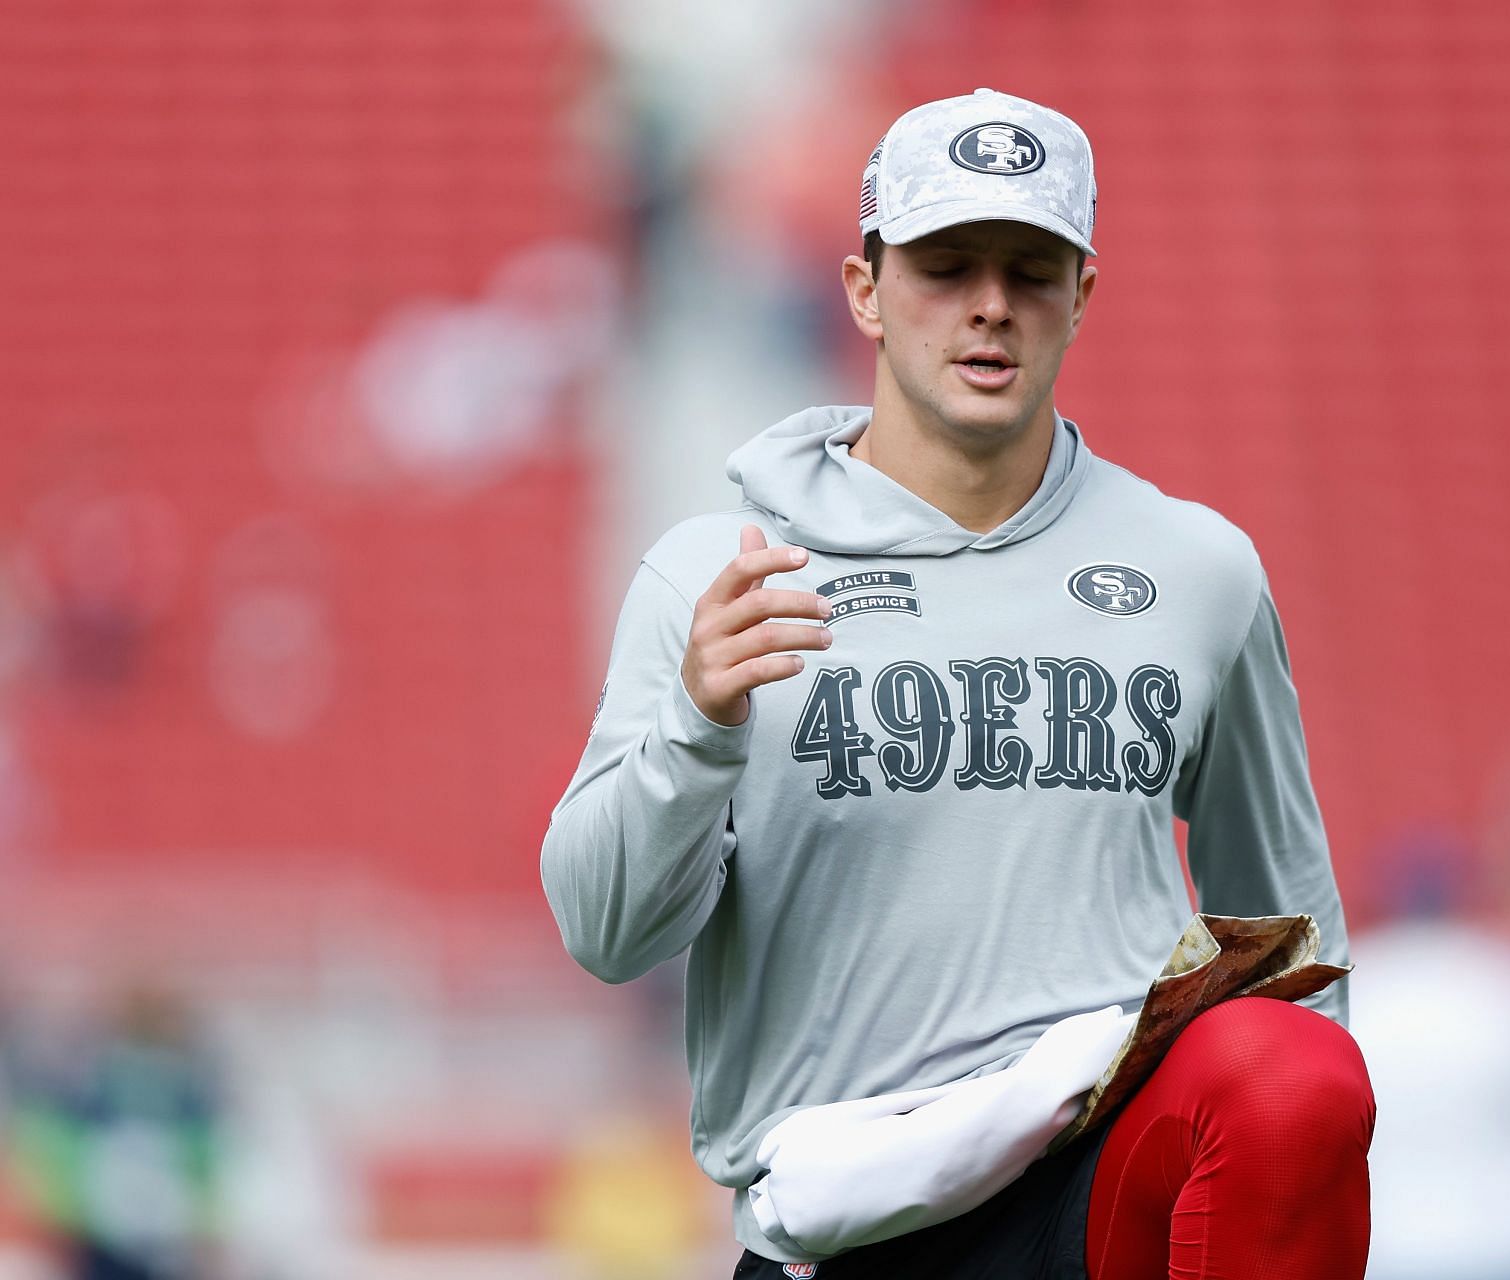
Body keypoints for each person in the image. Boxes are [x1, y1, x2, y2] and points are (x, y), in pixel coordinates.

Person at [542, 87, 1375, 1279]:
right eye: (948, 264)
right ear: (866, 289)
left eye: (1031, 268)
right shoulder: (716, 569)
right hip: (844, 1215)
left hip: (1097, 1189)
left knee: (1291, 1074)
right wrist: (696, 725)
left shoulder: (1197, 569)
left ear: (1081, 296)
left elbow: (1293, 944)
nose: (991, 303)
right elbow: (605, 932)